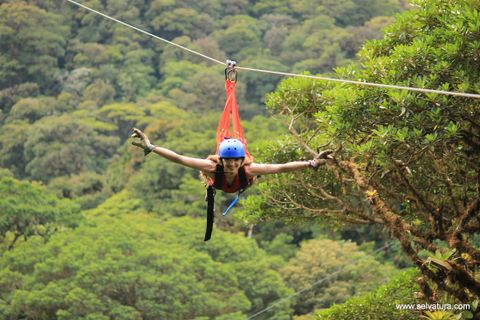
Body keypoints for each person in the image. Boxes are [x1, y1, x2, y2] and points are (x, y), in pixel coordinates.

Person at [130, 127, 333, 192]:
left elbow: (280, 167)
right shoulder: (212, 166)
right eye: (228, 161)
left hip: (244, 182)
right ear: (222, 159)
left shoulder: (249, 169)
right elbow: (179, 158)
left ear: (241, 159)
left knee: (264, 171)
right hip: (218, 182)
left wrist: (311, 162)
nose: (232, 165)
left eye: (236, 161)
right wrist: (152, 147)